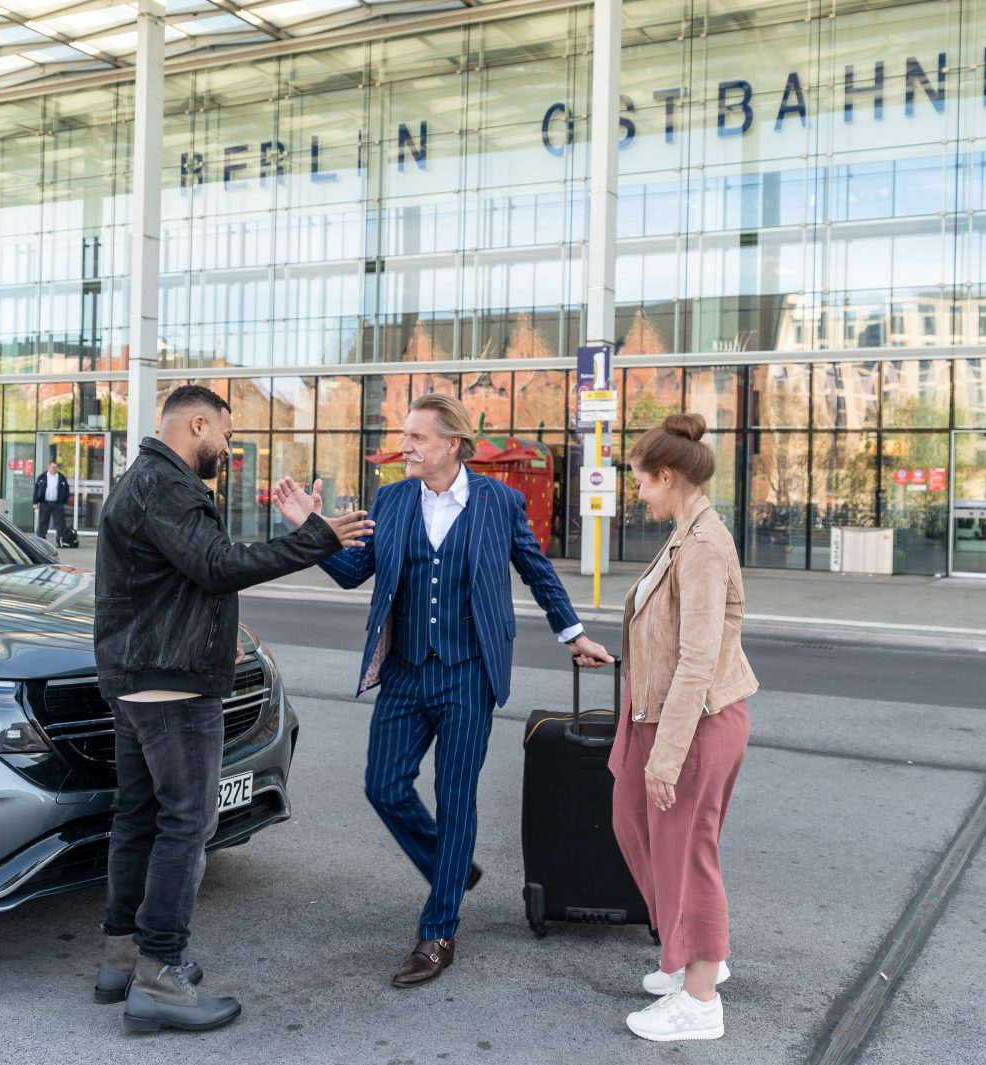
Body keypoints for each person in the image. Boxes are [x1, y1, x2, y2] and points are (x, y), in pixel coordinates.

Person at [272, 393, 614, 988]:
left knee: (456, 797)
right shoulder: (394, 498)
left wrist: (573, 634)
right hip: (405, 670)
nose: (405, 447)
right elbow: (356, 574)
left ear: (452, 444)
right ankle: (450, 868)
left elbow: (537, 571)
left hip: (468, 672)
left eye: (417, 439)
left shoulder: (499, 503)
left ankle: (439, 930)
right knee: (384, 785)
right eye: (405, 437)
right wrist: (312, 526)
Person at [92, 384, 373, 1034]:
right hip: (173, 683)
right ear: (197, 424)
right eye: (225, 431)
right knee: (186, 823)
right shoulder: (167, 485)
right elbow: (219, 565)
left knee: (138, 817)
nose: (227, 444)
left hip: (141, 679)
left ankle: (122, 957)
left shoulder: (143, 481)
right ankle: (159, 972)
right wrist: (315, 538)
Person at [609, 413, 759, 1043]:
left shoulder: (701, 545)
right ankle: (693, 948)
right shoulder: (684, 532)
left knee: (687, 852)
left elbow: (699, 657)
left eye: (641, 482)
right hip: (657, 716)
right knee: (635, 826)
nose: (637, 493)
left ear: (666, 477)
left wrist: (666, 757)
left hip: (692, 724)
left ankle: (700, 998)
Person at [34, 460, 72, 544]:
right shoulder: (42, 477)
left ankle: (61, 540)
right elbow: (36, 490)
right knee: (43, 522)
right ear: (49, 467)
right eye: (52, 467)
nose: (54, 469)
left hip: (57, 504)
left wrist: (63, 500)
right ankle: (41, 540)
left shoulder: (61, 478)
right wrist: (35, 502)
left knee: (60, 523)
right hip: (44, 503)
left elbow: (66, 490)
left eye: (55, 467)